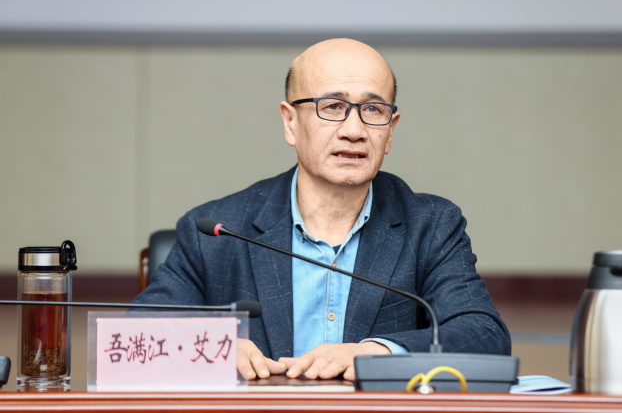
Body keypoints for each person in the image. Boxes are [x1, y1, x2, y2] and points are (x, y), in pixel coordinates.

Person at [132, 38, 511, 381]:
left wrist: (377, 352)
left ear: (390, 129)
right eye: (332, 106)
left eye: (372, 109)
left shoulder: (430, 225)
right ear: (290, 122)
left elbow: (484, 335)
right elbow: (135, 334)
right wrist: (214, 346)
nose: (354, 130)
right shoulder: (219, 231)